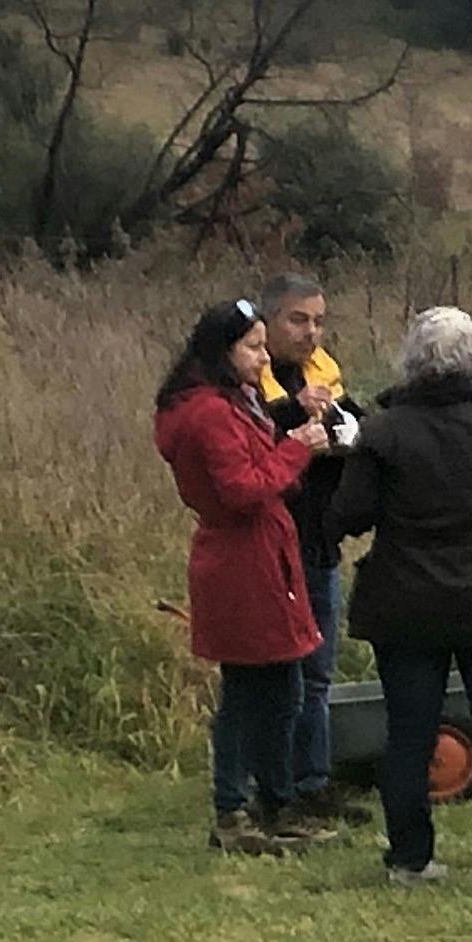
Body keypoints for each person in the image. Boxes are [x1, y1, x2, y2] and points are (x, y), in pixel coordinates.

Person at [337, 306, 472, 893]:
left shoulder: (382, 433)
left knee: (409, 731)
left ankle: (410, 860)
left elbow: (352, 515)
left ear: (411, 363)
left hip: (405, 602)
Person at [152, 298, 334, 857]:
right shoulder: (208, 412)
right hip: (243, 560)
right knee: (250, 690)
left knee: (281, 685)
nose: (262, 358)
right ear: (221, 351)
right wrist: (297, 451)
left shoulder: (236, 400)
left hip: (262, 552)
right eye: (252, 347)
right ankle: (234, 809)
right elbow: (241, 489)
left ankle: (274, 804)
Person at [254, 270, 366, 804]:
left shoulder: (322, 374)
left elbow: (352, 425)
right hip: (271, 545)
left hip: (320, 539)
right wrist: (296, 423)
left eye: (319, 321)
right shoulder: (249, 380)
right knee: (277, 672)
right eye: (298, 320)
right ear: (268, 320)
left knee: (319, 670)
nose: (311, 333)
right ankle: (269, 785)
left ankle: (315, 782)